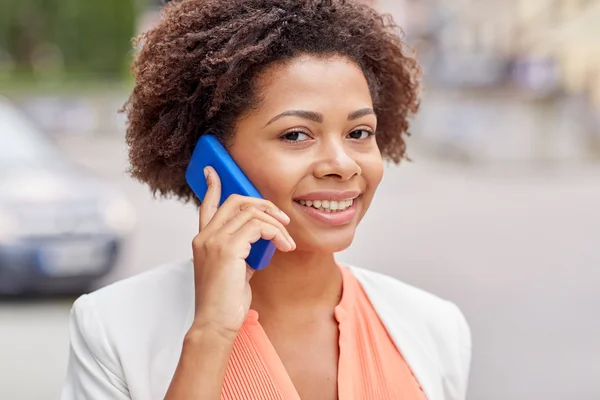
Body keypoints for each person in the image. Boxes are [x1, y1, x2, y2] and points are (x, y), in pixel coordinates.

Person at [61, 0, 471, 399]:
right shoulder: (112, 328)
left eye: (359, 133)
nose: (343, 165)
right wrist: (211, 333)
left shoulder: (435, 327)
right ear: (216, 160)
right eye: (296, 135)